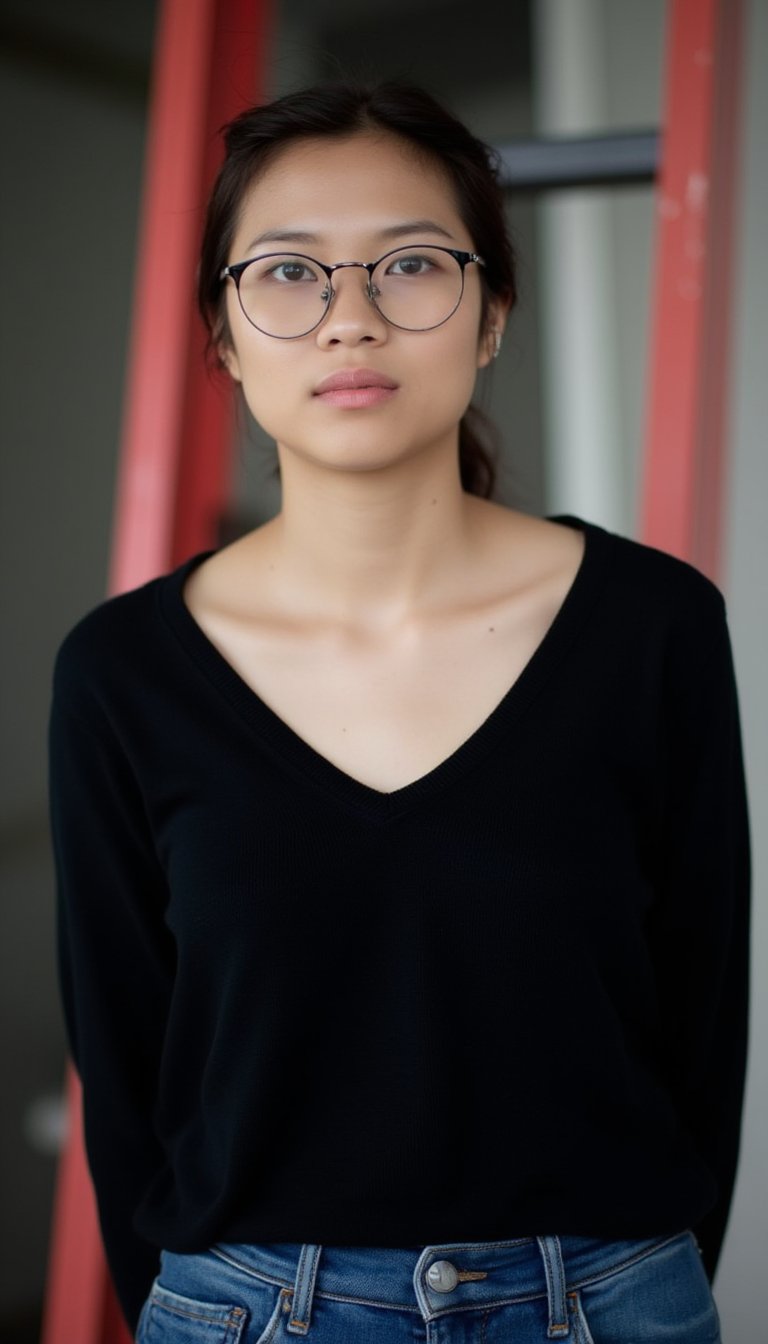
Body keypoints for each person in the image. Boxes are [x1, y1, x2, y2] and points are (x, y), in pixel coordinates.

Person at [48, 81, 750, 1343]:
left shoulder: (656, 628)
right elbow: (125, 1063)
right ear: (223, 331)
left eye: (412, 265)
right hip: (245, 1313)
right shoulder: (122, 673)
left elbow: (705, 1021)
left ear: (492, 316)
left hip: (611, 1302)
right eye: (288, 274)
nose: (350, 320)